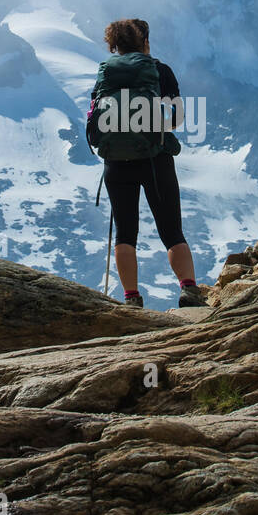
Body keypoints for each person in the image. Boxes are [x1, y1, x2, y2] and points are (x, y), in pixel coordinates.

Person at [89, 18, 205, 309]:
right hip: (156, 160)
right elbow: (177, 118)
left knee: (126, 232)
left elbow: (94, 118)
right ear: (146, 42)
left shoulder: (106, 74)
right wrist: (154, 126)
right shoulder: (159, 70)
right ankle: (189, 291)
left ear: (114, 46)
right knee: (171, 230)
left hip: (115, 163)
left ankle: (131, 298)